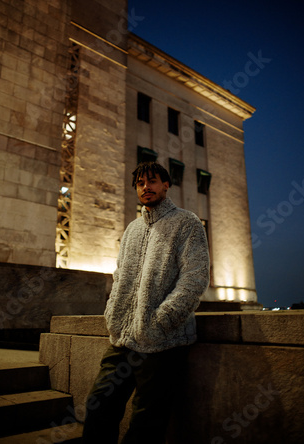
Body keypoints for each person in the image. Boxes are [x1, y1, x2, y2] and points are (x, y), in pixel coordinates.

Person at [82, 161, 210, 444]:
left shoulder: (186, 222)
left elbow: (196, 277)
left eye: (152, 181)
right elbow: (120, 276)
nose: (145, 187)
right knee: (98, 407)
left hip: (163, 342)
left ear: (166, 185)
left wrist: (162, 319)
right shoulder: (132, 230)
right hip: (123, 339)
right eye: (140, 183)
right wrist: (112, 311)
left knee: (146, 422)